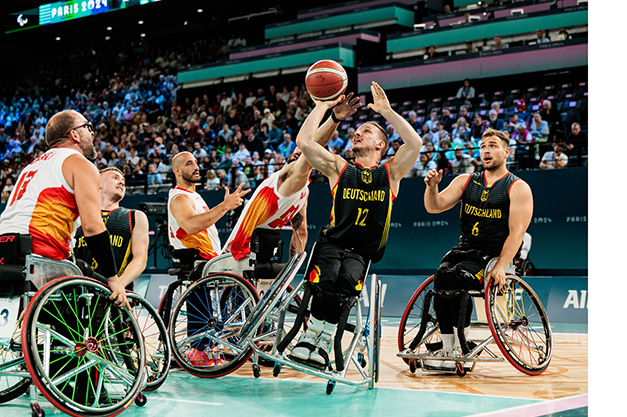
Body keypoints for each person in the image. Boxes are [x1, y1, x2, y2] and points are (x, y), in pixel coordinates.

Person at [289, 82, 422, 369]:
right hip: (332, 243)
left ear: (380, 145)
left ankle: (324, 340)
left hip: (361, 253)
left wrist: (386, 112)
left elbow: (415, 144)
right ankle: (310, 335)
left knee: (346, 286)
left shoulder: (392, 173)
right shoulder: (339, 167)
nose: (357, 132)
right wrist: (324, 109)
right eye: (357, 131)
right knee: (325, 281)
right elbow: (305, 143)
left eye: (367, 131)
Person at [0, 109, 128, 308]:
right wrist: (113, 278)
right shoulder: (80, 164)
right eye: (88, 127)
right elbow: (92, 227)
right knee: (102, 290)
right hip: (38, 255)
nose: (92, 134)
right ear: (74, 134)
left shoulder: (30, 166)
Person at [423, 128, 533, 365]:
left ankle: (461, 347)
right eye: (483, 146)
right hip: (463, 251)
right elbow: (434, 207)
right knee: (441, 277)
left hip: (491, 258)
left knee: (456, 278)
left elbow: (518, 233)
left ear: (506, 152)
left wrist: (502, 266)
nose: (486, 150)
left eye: (492, 145)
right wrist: (432, 187)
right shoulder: (466, 181)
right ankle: (448, 348)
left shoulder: (518, 187)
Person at [223, 93, 362, 263]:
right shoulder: (285, 176)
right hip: (238, 249)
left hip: (258, 248)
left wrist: (290, 270)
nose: (299, 152)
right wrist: (330, 115)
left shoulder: (303, 190)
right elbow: (310, 145)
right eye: (298, 152)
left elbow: (301, 231)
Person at [167, 151, 249, 366]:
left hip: (210, 257)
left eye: (196, 162)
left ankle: (237, 334)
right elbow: (191, 225)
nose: (196, 167)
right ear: (177, 171)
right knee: (242, 271)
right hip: (195, 259)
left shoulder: (195, 196)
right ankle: (198, 348)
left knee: (247, 265)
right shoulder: (179, 197)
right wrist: (225, 206)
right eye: (188, 163)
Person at [73, 167, 150, 293]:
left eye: (123, 180)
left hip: (114, 292)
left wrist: (119, 284)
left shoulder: (135, 216)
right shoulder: (79, 217)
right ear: (98, 183)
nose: (121, 182)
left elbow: (140, 258)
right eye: (115, 177)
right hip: (79, 291)